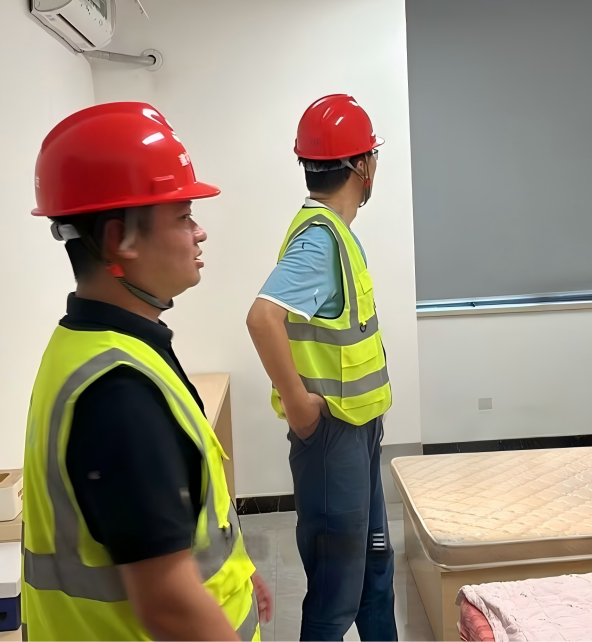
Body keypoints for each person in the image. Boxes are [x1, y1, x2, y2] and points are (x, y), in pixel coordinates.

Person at [21, 102, 272, 642]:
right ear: (120, 241)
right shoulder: (118, 393)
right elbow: (170, 606)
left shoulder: (93, 346)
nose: (199, 232)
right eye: (183, 216)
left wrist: (240, 572)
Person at [247, 94, 396, 642]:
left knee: (375, 573)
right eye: (373, 155)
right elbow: (262, 318)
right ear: (361, 165)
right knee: (337, 599)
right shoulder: (319, 240)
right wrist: (300, 407)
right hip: (333, 438)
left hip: (360, 431)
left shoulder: (336, 232)